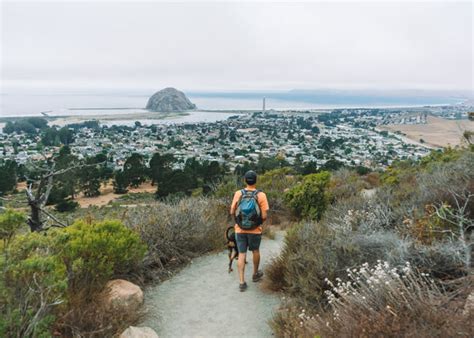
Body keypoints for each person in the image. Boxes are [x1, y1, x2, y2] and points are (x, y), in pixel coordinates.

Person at [230, 170, 269, 292]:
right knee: (255, 251)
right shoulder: (261, 195)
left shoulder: (238, 193)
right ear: (256, 180)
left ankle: (242, 282)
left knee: (242, 254)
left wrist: (238, 222)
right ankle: (255, 274)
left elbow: (232, 211)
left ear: (245, 180)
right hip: (255, 230)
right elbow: (264, 216)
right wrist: (257, 223)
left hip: (240, 229)